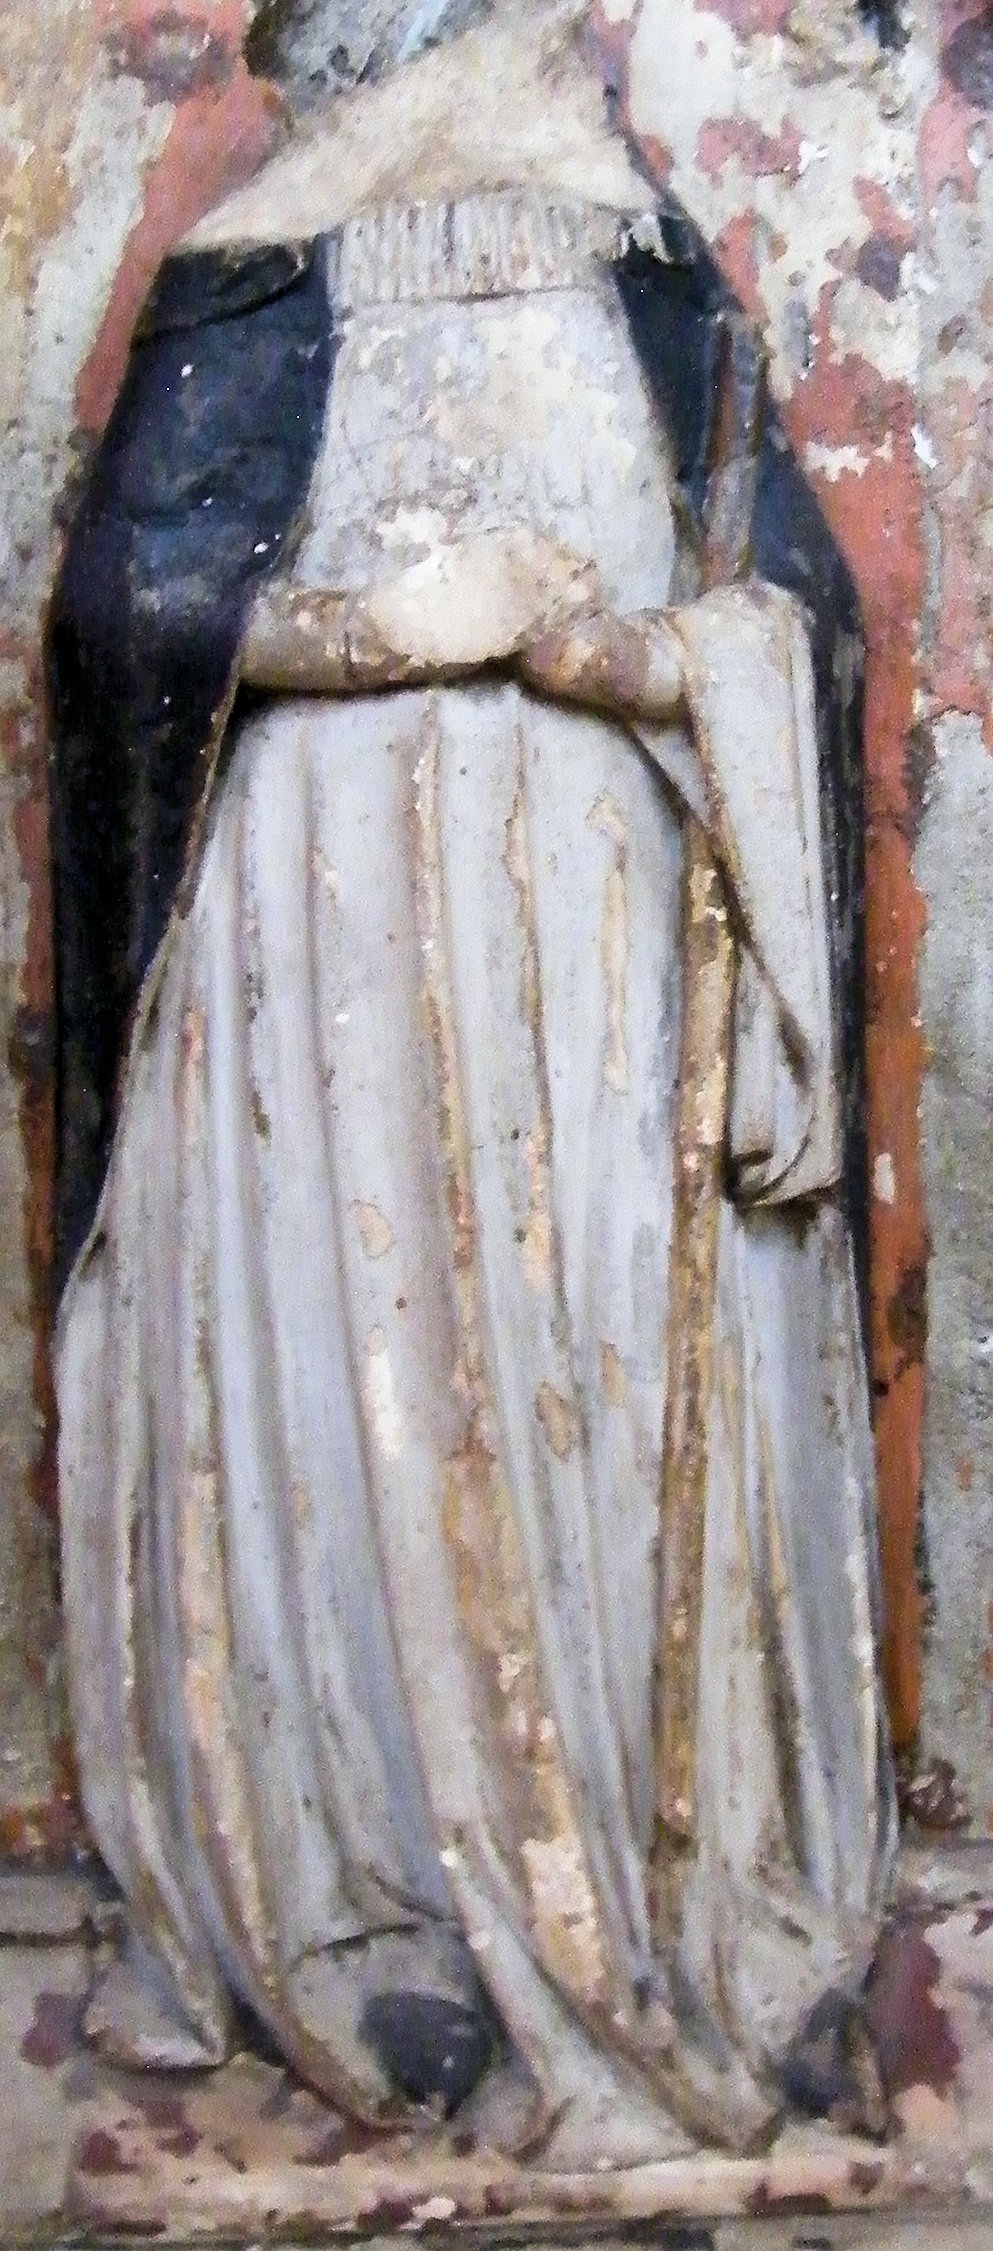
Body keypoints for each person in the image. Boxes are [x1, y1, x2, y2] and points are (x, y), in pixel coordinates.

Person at [54, 185, 895, 2163]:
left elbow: (791, 607)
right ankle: (375, 1888)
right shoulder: (249, 269)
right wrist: (354, 633)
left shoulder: (654, 273)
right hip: (309, 951)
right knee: (340, 1396)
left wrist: (666, 664)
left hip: (609, 933)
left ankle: (641, 1892)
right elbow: (117, 620)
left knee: (598, 1363)